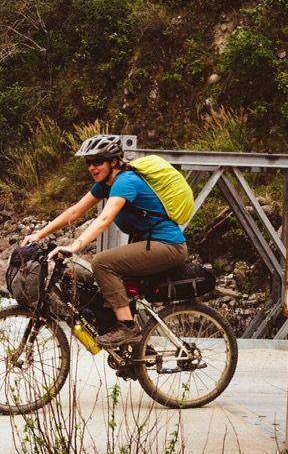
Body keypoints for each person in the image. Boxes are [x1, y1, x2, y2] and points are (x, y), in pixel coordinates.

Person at [22, 134, 188, 347]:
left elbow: (104, 220)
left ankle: (128, 327)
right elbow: (74, 212)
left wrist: (75, 246)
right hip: (149, 245)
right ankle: (132, 348)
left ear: (114, 162)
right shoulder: (105, 185)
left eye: (98, 161)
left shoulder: (126, 182)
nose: (92, 167)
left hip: (168, 246)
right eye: (88, 162)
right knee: (97, 283)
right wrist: (39, 234)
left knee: (102, 262)